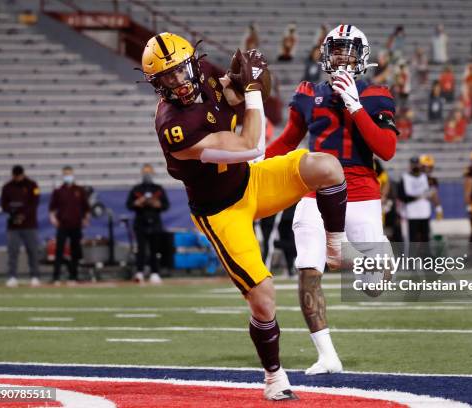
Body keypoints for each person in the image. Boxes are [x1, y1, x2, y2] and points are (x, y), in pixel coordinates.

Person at [141, 33, 349, 400]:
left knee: (327, 167)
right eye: (166, 78)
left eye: (179, 71)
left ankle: (335, 245)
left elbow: (229, 96)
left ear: (192, 62)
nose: (176, 82)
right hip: (221, 212)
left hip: (250, 182)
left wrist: (248, 80)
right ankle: (274, 377)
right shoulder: (174, 126)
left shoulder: (204, 73)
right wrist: (254, 91)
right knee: (264, 297)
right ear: (156, 84)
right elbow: (252, 145)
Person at [265, 24, 397, 375]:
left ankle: (371, 259)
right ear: (325, 54)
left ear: (362, 56)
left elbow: (386, 150)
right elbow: (288, 141)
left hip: (361, 190)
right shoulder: (308, 93)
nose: (342, 56)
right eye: (336, 49)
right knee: (308, 270)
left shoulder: (376, 94)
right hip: (315, 188)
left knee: (374, 287)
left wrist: (355, 106)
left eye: (349, 50)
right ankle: (327, 354)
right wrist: (255, 163)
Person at [126, 164, 170, 284]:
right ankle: (139, 272)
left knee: (154, 250)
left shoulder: (158, 189)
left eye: (149, 172)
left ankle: (155, 273)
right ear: (142, 173)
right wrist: (138, 203)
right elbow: (129, 205)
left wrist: (157, 204)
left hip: (155, 223)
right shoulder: (136, 189)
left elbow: (166, 205)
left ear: (153, 173)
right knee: (140, 249)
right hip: (140, 223)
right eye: (145, 172)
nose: (147, 174)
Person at [0, 165, 40, 287]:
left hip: (29, 224)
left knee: (32, 250)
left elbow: (35, 203)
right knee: (13, 251)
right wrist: (13, 215)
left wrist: (23, 216)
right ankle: (12, 277)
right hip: (13, 226)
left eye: (19, 176)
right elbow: (3, 205)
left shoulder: (32, 185)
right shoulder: (7, 187)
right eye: (15, 176)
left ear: (23, 174)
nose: (17, 178)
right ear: (13, 175)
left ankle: (35, 276)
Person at [49, 166, 90, 284]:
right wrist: (53, 218)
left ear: (73, 174)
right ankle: (56, 277)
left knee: (75, 251)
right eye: (66, 174)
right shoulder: (58, 190)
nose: (68, 176)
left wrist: (86, 219)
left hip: (76, 224)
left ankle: (73, 276)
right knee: (59, 251)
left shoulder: (79, 190)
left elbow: (86, 207)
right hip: (62, 224)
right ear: (63, 175)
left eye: (69, 174)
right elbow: (52, 208)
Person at [399, 157, 431, 242]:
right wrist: (418, 197)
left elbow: (431, 192)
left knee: (425, 237)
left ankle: (425, 255)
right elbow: (402, 196)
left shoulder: (425, 176)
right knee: (413, 239)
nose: (415, 166)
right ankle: (413, 255)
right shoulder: (405, 178)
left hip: (424, 212)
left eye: (416, 164)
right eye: (413, 164)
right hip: (412, 213)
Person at [420, 154, 443, 220]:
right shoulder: (411, 177)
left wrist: (438, 209)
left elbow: (434, 196)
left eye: (430, 167)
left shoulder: (432, 180)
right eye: (425, 167)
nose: (427, 169)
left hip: (424, 209)